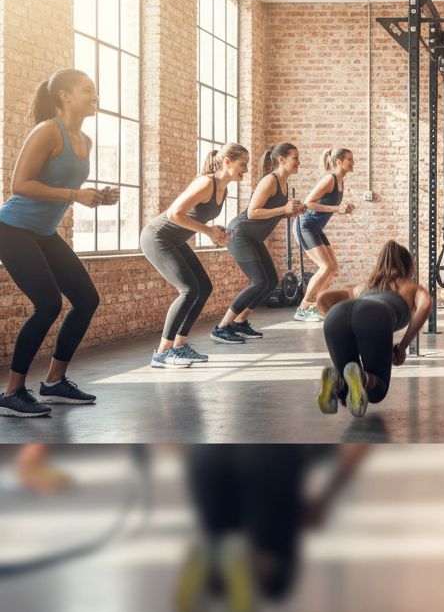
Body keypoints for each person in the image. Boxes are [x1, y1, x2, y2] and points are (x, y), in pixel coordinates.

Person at [0, 69, 117, 417]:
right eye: (86, 90)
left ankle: (54, 382)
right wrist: (74, 194)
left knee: (85, 299)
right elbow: (19, 185)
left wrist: (96, 196)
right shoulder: (47, 131)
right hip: (12, 227)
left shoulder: (85, 139)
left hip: (44, 231)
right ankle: (12, 392)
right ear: (65, 96)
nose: (93, 96)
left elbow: (68, 185)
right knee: (48, 304)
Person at [174, 445, 371, 612]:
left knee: (224, 553)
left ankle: (210, 561)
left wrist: (191, 459)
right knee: (274, 576)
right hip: (272, 456)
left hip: (207, 456)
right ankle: (251, 563)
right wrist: (326, 498)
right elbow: (364, 435)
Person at [140, 143, 249, 368]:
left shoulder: (223, 188)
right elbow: (174, 213)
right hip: (158, 237)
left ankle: (179, 346)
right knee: (189, 289)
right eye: (243, 164)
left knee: (204, 287)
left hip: (175, 240)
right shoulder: (206, 182)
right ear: (227, 162)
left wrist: (213, 231)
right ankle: (162, 352)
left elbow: (195, 217)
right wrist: (208, 230)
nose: (246, 170)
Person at [315, 240, 432, 418]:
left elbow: (322, 298)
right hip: (375, 317)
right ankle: (356, 378)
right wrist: (402, 347)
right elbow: (425, 305)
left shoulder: (364, 286)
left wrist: (352, 336)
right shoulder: (412, 288)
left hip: (336, 317)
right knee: (378, 390)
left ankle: (337, 381)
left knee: (350, 380)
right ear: (408, 266)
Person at [211, 142, 305, 344]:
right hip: (240, 234)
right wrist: (283, 210)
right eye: (295, 158)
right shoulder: (269, 181)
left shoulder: (283, 184)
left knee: (271, 281)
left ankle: (240, 322)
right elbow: (253, 212)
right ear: (281, 159)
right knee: (260, 282)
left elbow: (269, 214)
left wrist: (291, 212)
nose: (299, 162)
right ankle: (222, 327)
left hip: (253, 237)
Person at [292, 147, 356, 323]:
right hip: (305, 225)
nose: (353, 163)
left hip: (315, 227)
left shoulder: (340, 182)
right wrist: (337, 208)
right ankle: (304, 307)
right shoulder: (330, 179)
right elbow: (308, 203)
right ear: (338, 162)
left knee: (333, 266)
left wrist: (344, 209)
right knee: (326, 267)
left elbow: (327, 205)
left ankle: (316, 305)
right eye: (349, 159)